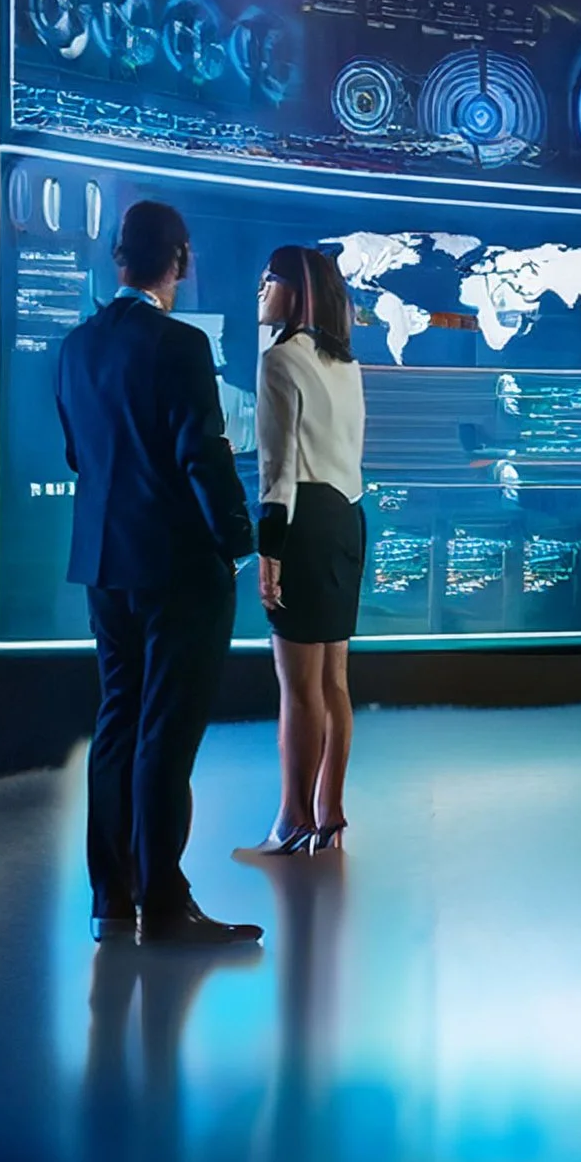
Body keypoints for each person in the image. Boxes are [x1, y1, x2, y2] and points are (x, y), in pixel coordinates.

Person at [57, 200, 262, 947]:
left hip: (104, 565)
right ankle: (167, 905)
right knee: (165, 739)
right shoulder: (180, 344)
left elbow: (78, 456)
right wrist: (237, 542)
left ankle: (112, 900)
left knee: (118, 723)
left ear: (119, 257)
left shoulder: (76, 346)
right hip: (177, 567)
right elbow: (201, 454)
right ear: (180, 260)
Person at [251, 245, 368, 854]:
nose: (260, 290)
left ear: (296, 290)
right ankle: (330, 815)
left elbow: (278, 471)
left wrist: (268, 553)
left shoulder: (280, 360)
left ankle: (292, 820)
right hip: (347, 518)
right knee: (334, 680)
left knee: (297, 687)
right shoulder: (346, 363)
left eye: (269, 280)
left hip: (303, 522)